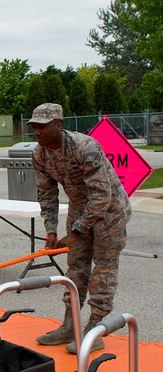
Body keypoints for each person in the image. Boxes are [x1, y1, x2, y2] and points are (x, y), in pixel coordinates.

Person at [29, 103, 131, 353]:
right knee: (76, 267)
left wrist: (76, 232)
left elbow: (101, 195)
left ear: (59, 125)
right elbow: (47, 193)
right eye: (34, 126)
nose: (37, 131)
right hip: (78, 209)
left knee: (103, 270)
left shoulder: (85, 147)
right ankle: (70, 324)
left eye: (43, 126)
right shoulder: (39, 154)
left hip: (110, 211)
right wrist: (51, 230)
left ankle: (95, 330)